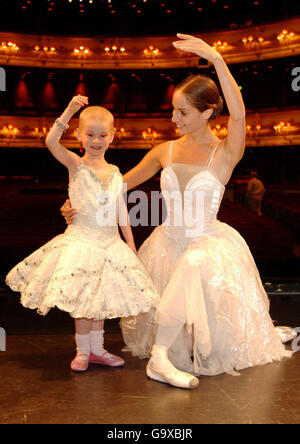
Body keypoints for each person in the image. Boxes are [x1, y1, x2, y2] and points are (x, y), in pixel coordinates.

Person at [61, 35, 294, 388]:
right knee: (185, 268)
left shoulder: (227, 151)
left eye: (182, 112)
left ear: (208, 112)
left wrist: (217, 59)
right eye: (173, 109)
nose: (173, 118)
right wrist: (75, 201)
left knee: (196, 262)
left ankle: (160, 357)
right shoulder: (165, 150)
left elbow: (240, 113)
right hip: (167, 244)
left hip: (207, 243)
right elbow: (114, 186)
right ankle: (161, 356)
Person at [5, 96, 159, 372]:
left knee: (99, 300)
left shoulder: (114, 172)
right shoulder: (75, 164)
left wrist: (131, 245)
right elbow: (51, 142)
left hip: (110, 243)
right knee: (82, 301)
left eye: (102, 135)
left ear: (112, 137)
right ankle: (82, 351)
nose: (96, 141)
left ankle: (98, 350)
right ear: (79, 135)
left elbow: (120, 209)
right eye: (90, 134)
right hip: (82, 241)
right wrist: (69, 110)